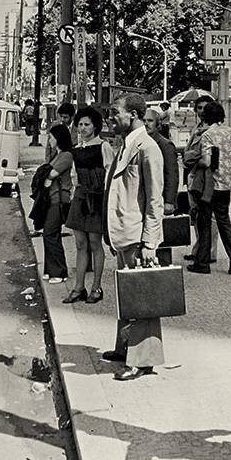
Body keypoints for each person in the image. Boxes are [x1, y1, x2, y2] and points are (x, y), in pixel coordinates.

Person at [100, 93, 165, 381]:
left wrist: (150, 241)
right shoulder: (126, 144)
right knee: (128, 295)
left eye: (115, 113)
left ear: (134, 115)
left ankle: (142, 361)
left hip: (138, 234)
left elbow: (155, 200)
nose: (111, 118)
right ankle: (125, 348)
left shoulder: (147, 148)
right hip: (123, 232)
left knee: (142, 299)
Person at [186, 101, 231, 275]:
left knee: (204, 223)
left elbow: (206, 160)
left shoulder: (208, 135)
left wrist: (194, 160)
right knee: (224, 222)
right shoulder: (229, 131)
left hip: (210, 185)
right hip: (226, 183)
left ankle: (202, 263)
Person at [63, 106, 115, 304]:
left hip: (97, 198)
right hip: (81, 197)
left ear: (95, 127)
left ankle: (97, 287)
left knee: (95, 243)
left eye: (86, 124)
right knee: (80, 244)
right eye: (80, 125)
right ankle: (78, 288)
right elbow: (75, 175)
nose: (82, 128)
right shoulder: (76, 150)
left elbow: (110, 175)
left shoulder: (103, 147)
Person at [182, 95, 217, 263]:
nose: (202, 111)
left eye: (206, 108)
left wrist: (188, 156)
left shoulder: (211, 131)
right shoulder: (197, 128)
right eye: (199, 108)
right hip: (193, 175)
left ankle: (208, 251)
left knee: (209, 217)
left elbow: (198, 155)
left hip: (206, 177)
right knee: (196, 214)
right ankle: (199, 248)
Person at [41, 124, 74, 284]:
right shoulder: (57, 154)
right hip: (53, 198)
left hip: (59, 200)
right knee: (49, 234)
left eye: (51, 137)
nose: (49, 140)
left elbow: (51, 174)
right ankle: (50, 269)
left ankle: (59, 272)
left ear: (59, 138)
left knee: (50, 233)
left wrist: (47, 178)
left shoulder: (66, 156)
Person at [144, 108, 179, 216]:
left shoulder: (165, 145)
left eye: (150, 121)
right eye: (143, 121)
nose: (146, 124)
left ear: (157, 124)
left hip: (160, 198)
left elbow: (171, 174)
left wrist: (169, 201)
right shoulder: (140, 142)